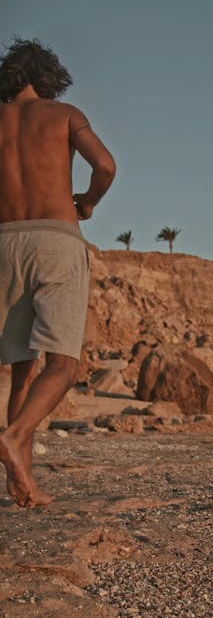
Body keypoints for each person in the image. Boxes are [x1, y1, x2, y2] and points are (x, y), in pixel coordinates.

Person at [0, 37, 115, 508]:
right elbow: (105, 165)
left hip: (4, 241)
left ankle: (19, 483)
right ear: (47, 77)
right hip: (54, 238)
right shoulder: (62, 114)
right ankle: (12, 439)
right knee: (64, 366)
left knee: (21, 371)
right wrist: (86, 201)